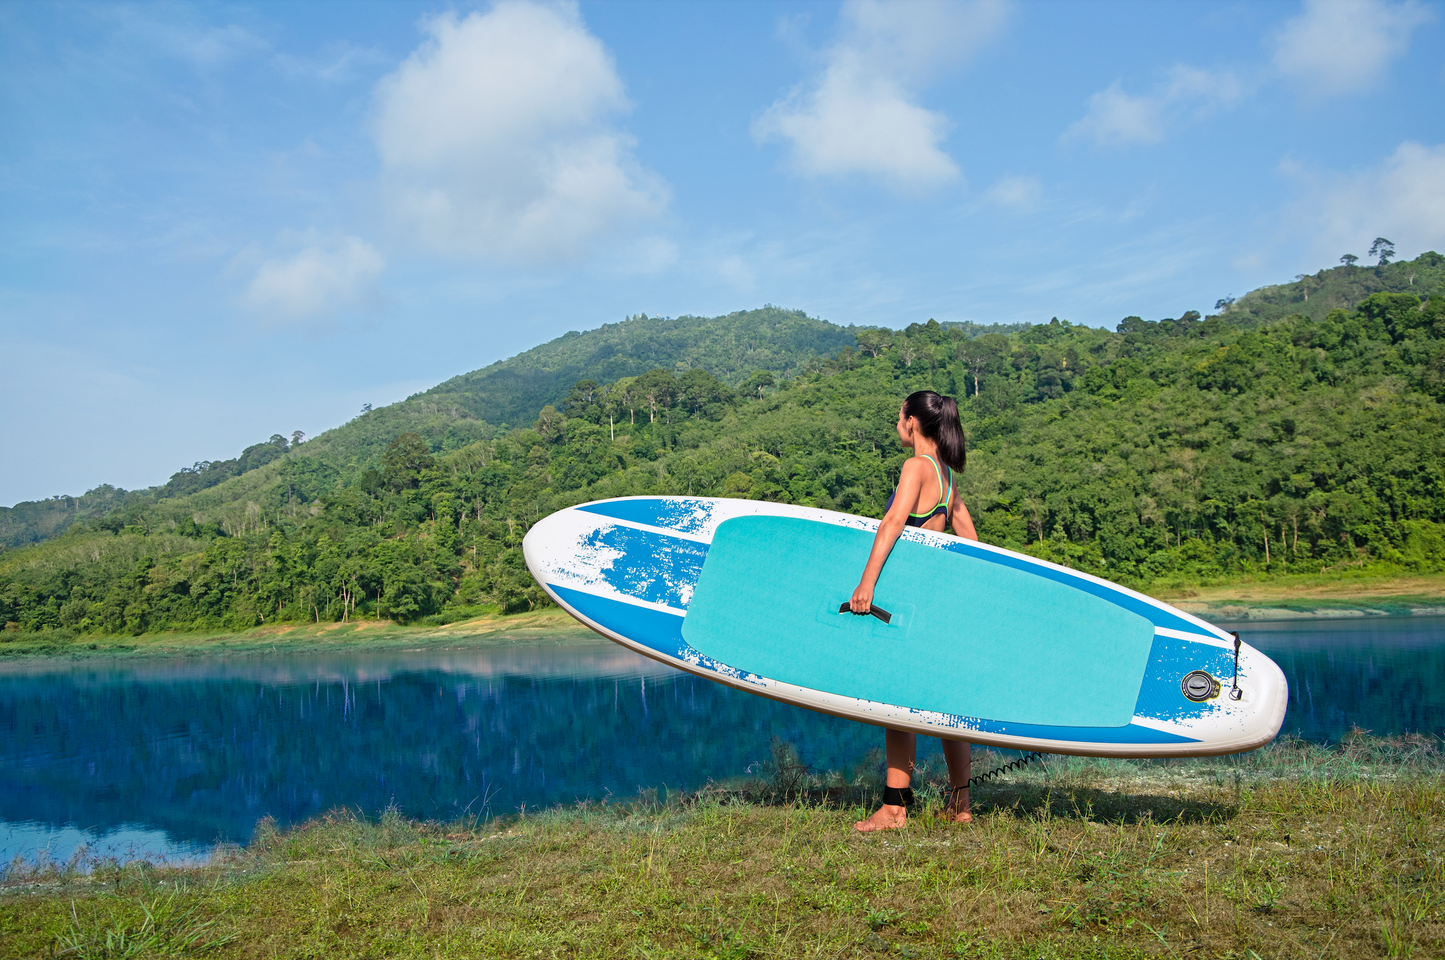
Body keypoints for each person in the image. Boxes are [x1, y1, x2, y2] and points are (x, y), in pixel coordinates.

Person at [849, 390, 978, 832]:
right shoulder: (944, 477)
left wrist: (866, 584)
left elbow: (891, 522)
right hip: (935, 603)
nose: (896, 422)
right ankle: (961, 807)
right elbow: (971, 541)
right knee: (943, 703)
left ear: (912, 423)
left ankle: (895, 809)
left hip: (906, 605)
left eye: (898, 416)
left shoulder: (916, 467)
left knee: (895, 704)